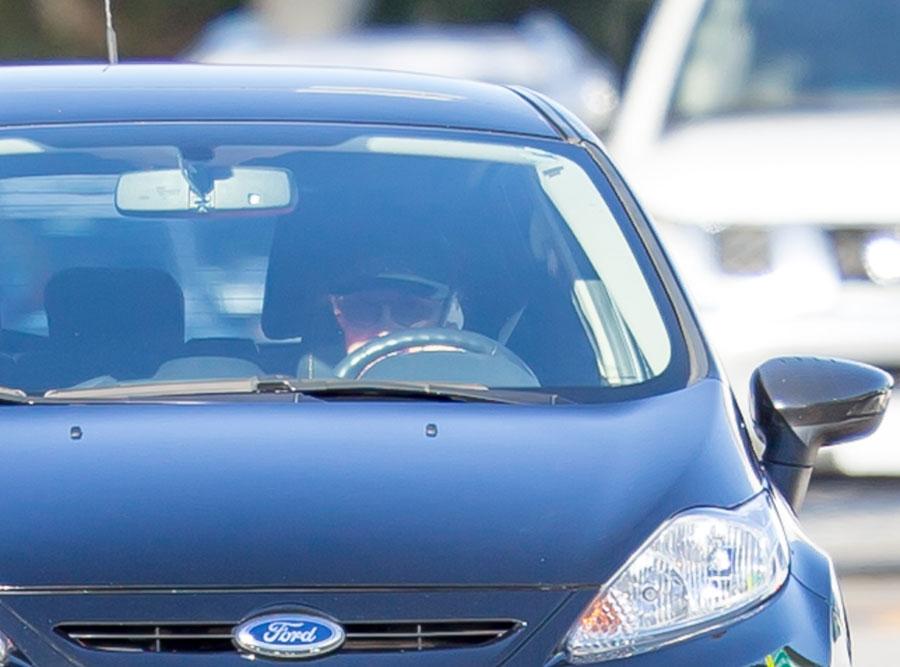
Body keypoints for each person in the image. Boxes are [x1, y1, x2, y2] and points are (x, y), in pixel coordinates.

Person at [328, 265, 464, 355]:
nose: (386, 330)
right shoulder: (310, 386)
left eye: (410, 313)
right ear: (339, 317)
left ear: (442, 321)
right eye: (363, 312)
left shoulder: (474, 384)